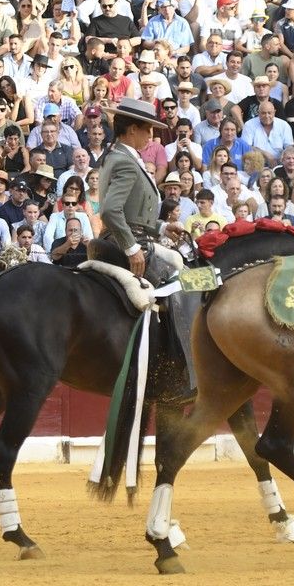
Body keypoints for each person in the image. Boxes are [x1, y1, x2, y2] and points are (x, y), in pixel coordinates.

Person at [94, 97, 197, 404]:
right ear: (132, 129)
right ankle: (185, 374)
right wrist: (132, 247)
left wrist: (164, 228)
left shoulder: (121, 156)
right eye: (149, 129)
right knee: (188, 285)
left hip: (137, 236)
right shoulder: (125, 160)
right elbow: (111, 212)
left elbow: (132, 212)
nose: (152, 136)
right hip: (126, 243)